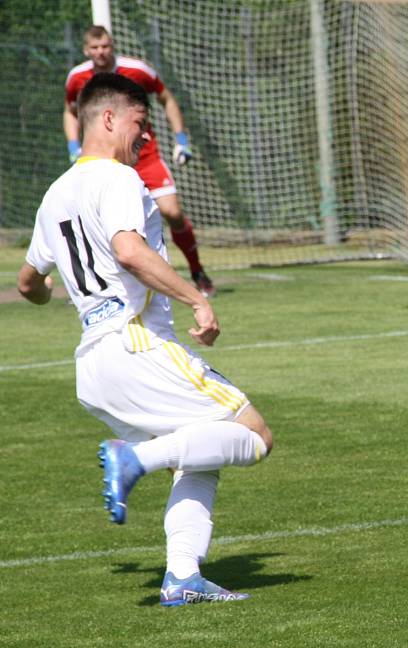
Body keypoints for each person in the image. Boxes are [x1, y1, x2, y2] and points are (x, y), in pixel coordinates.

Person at [19, 73, 272, 606]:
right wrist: (196, 298)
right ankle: (136, 459)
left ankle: (182, 577)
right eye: (140, 122)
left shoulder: (53, 194)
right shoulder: (118, 180)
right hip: (137, 346)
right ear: (108, 118)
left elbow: (28, 283)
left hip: (93, 364)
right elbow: (129, 250)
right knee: (253, 434)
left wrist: (51, 292)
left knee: (201, 455)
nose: (146, 136)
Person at [64, 24, 216, 298]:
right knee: (100, 220)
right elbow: (70, 110)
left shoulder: (137, 70)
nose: (101, 52)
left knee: (172, 213)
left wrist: (181, 138)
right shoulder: (77, 78)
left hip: (144, 156)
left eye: (106, 46)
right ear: (86, 50)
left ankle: (197, 270)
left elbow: (166, 98)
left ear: (113, 46)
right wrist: (73, 145)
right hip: (104, 161)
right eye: (95, 48)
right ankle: (98, 286)